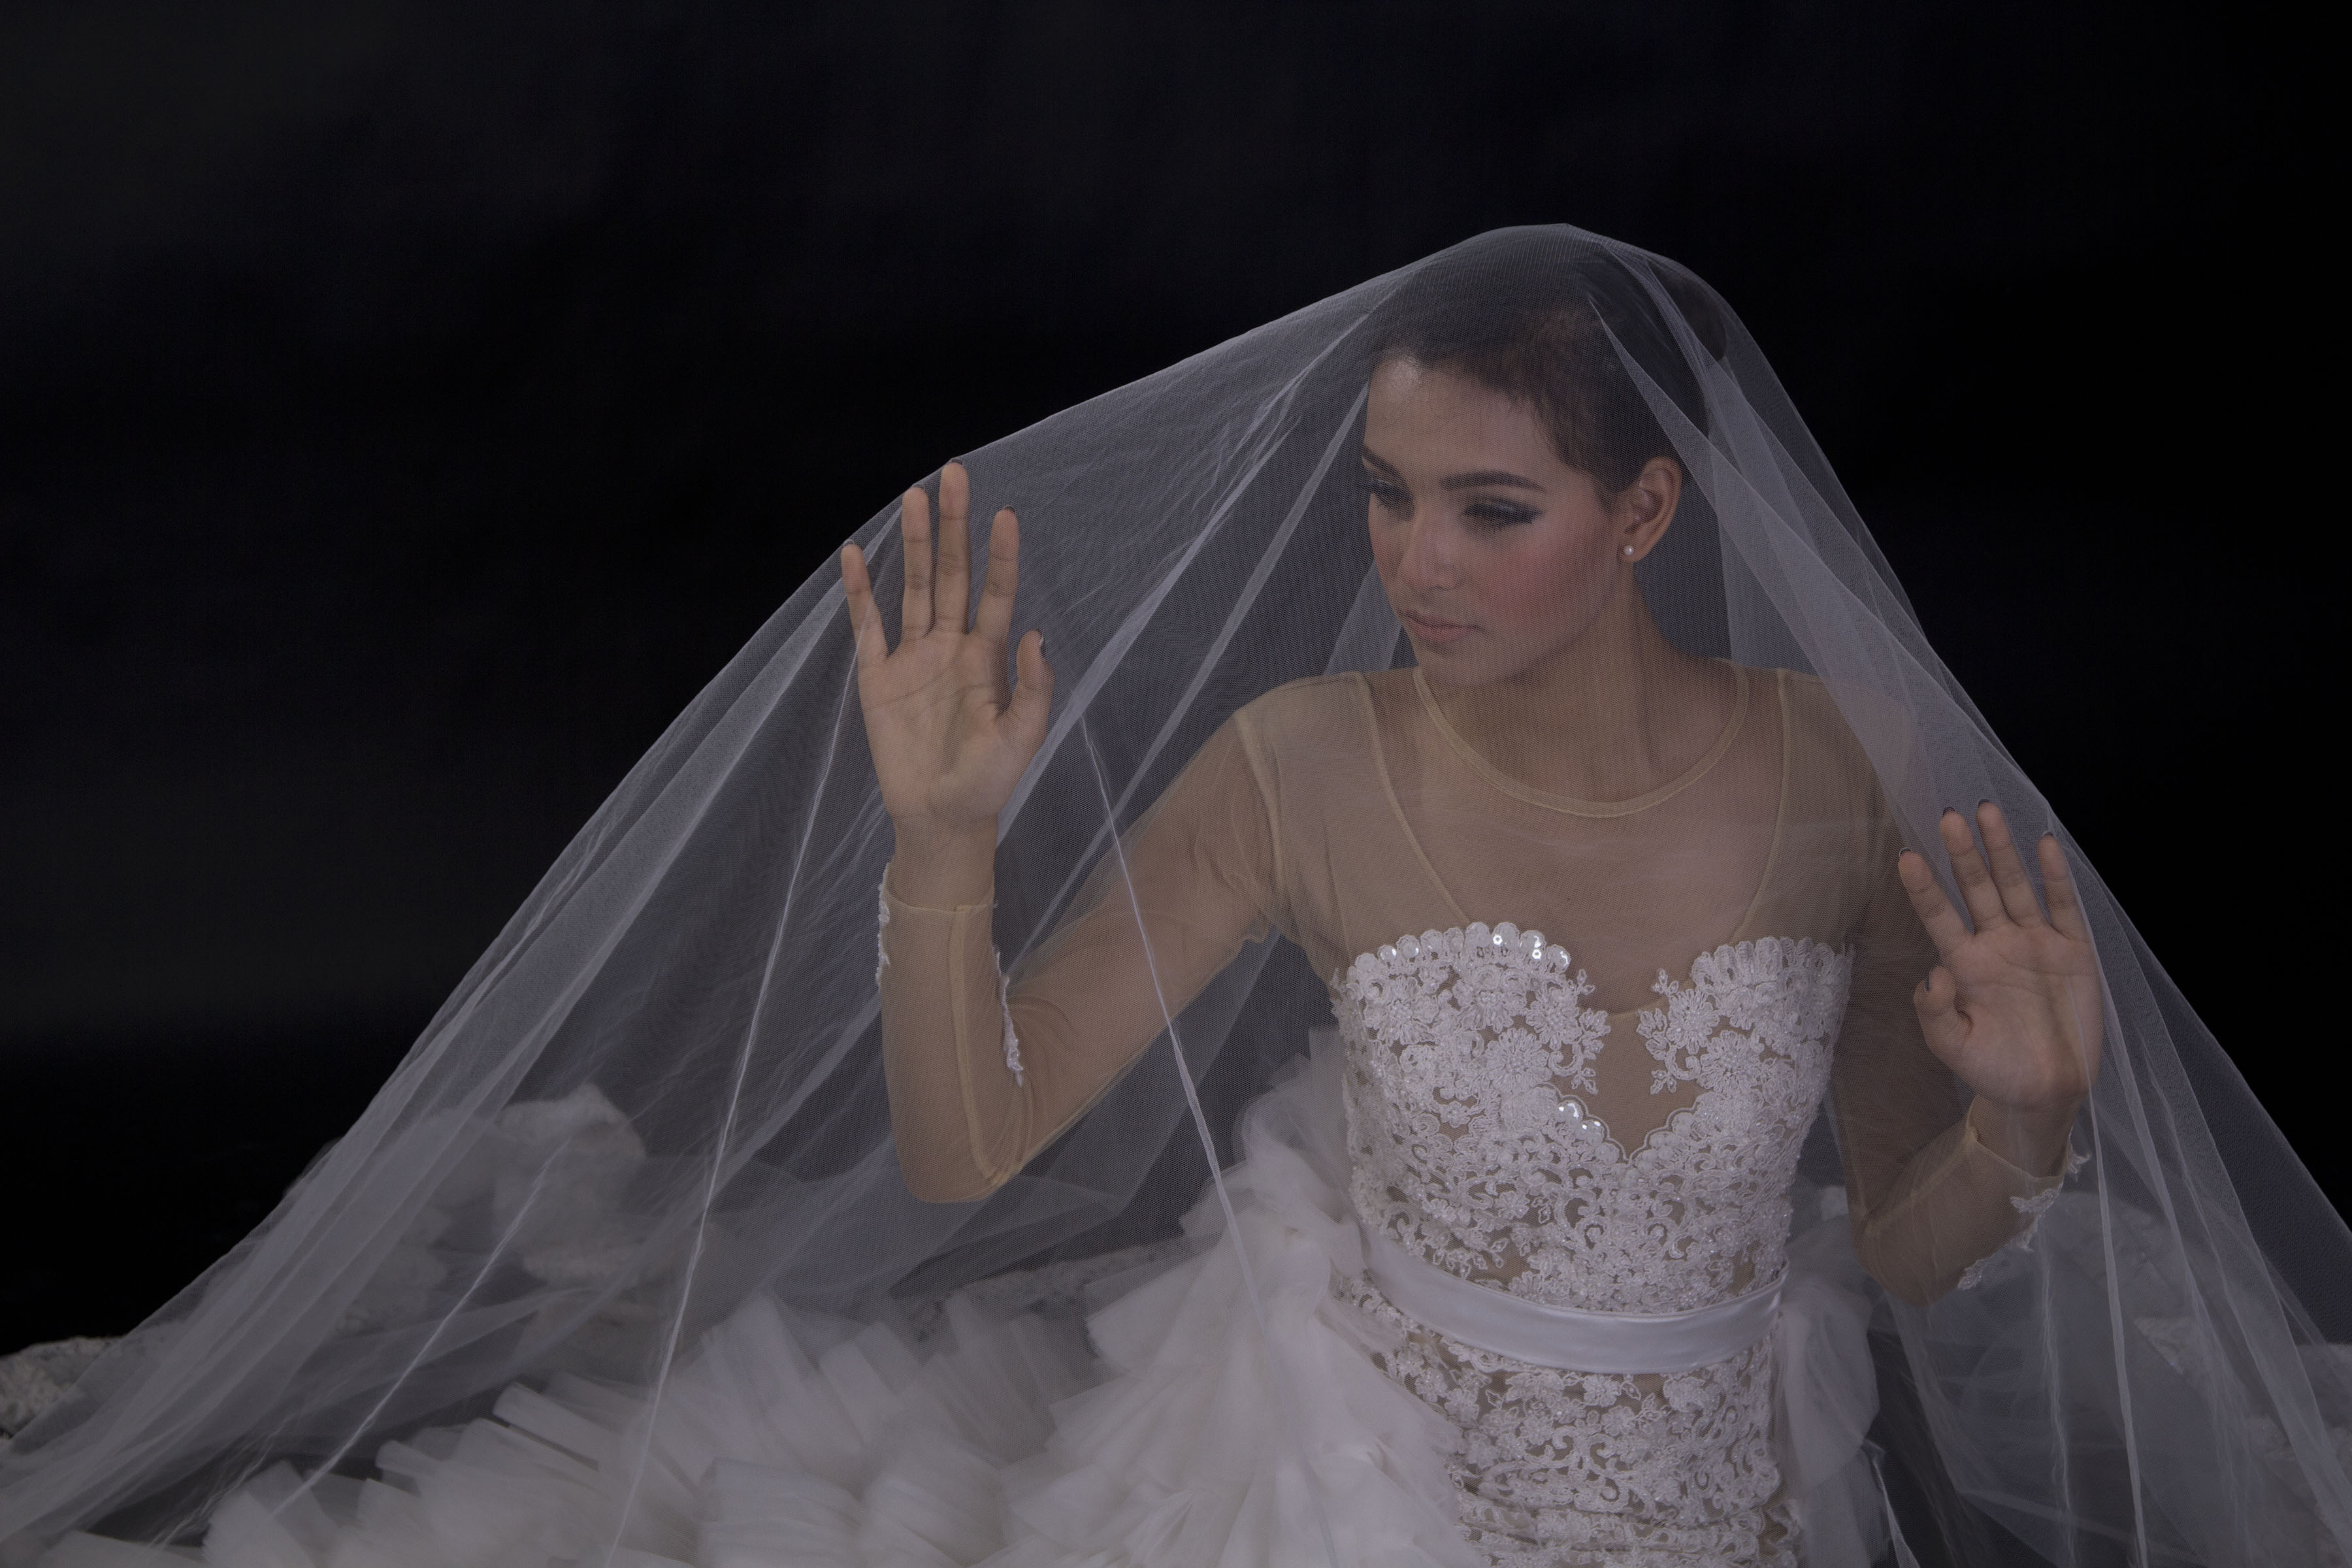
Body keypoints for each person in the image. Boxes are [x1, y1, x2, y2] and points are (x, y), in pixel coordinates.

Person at [1, 228, 2344, 1567]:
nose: (1416, 561)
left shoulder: (1846, 766)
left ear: (1644, 516)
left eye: (1492, 509)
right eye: (1388, 492)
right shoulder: (1304, 764)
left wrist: (2026, 1120)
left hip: (1737, 1495)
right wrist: (943, 845)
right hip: (1344, 1489)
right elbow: (970, 1147)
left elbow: (1905, 1245)